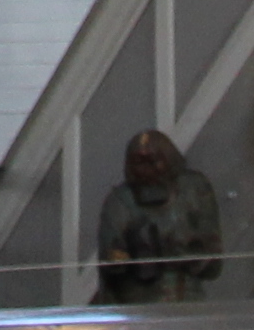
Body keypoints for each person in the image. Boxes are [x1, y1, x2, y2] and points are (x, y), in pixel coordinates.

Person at [95, 127, 223, 303]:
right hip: (137, 301)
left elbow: (213, 262)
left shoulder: (194, 190)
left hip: (186, 296)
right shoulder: (119, 201)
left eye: (154, 161)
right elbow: (110, 265)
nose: (148, 170)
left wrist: (184, 251)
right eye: (140, 163)